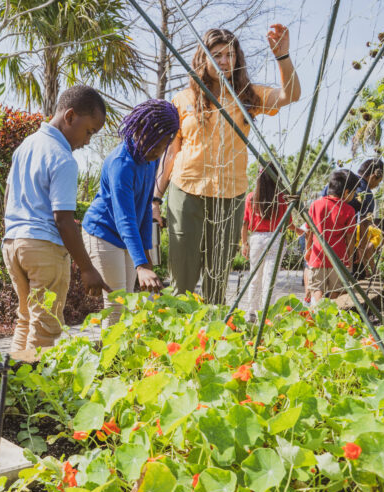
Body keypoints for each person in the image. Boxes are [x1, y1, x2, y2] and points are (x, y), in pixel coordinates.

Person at [152, 25, 301, 304]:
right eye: (216, 55)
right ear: (202, 59)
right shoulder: (182, 100)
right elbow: (171, 154)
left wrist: (282, 56)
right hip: (186, 192)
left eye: (229, 55)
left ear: (237, 59)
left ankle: (212, 340)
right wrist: (156, 198)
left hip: (230, 195)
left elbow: (290, 95)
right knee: (182, 280)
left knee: (217, 280)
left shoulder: (247, 96)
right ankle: (179, 341)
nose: (223, 61)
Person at [3, 85, 110, 352]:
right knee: (45, 328)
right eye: (89, 132)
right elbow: (63, 220)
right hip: (43, 247)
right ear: (70, 116)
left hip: (13, 244)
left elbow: (8, 196)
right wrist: (87, 268)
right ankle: (36, 392)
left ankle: (12, 388)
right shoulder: (63, 158)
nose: (87, 141)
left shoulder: (26, 145)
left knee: (26, 320)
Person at [81, 99, 180, 324]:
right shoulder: (121, 164)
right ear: (139, 131)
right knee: (116, 305)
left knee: (127, 306)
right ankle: (109, 359)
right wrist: (141, 265)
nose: (158, 151)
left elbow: (144, 210)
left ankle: (121, 358)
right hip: (104, 232)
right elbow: (124, 218)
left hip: (126, 235)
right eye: (154, 144)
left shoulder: (150, 161)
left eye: (164, 146)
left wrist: (147, 258)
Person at [240, 165, 303, 320]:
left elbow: (245, 223)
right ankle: (266, 314)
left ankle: (251, 313)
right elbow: (287, 222)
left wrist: (244, 243)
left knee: (254, 278)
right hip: (276, 239)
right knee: (270, 280)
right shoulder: (282, 198)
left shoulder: (251, 197)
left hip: (256, 239)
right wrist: (298, 230)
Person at [322, 158, 384, 277]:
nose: (377, 185)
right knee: (342, 279)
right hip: (344, 244)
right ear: (373, 176)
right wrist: (363, 257)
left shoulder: (337, 180)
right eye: (379, 181)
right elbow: (363, 228)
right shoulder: (367, 194)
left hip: (322, 236)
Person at [306, 170, 360, 303]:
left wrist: (307, 250)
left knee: (317, 288)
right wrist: (350, 257)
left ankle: (316, 312)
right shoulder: (348, 210)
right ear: (347, 192)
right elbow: (349, 237)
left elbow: (309, 232)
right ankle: (330, 312)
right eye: (353, 193)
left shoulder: (315, 205)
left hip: (317, 256)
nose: (354, 196)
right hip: (338, 259)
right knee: (337, 290)